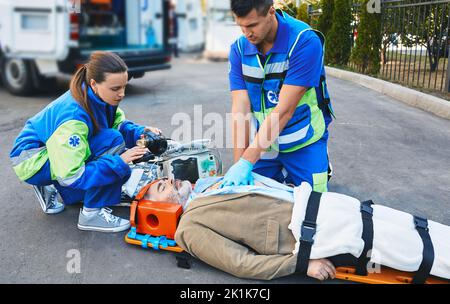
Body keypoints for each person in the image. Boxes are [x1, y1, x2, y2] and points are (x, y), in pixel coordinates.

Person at [141, 175, 450, 282]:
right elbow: (240, 263)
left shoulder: (207, 188)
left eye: (163, 179)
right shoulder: (189, 227)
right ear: (155, 211)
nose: (168, 182)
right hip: (312, 232)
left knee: (412, 226)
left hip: (319, 205)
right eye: (160, 188)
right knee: (413, 251)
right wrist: (303, 264)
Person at [10, 51, 163, 233]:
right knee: (111, 144)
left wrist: (142, 133)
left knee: (111, 140)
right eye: (115, 89)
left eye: (124, 86)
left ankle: (50, 187)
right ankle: (91, 214)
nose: (121, 94)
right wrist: (120, 162)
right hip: (31, 161)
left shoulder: (98, 96)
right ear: (94, 84)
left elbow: (118, 125)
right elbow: (72, 176)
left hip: (44, 150)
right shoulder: (73, 119)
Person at [224, 0, 334, 192]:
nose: (247, 33)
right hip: (265, 144)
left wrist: (247, 162)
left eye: (253, 25)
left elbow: (284, 111)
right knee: (250, 198)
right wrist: (239, 164)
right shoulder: (238, 50)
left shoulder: (305, 41)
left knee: (315, 204)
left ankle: (320, 164)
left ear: (271, 12)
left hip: (304, 140)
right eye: (241, 26)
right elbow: (240, 108)